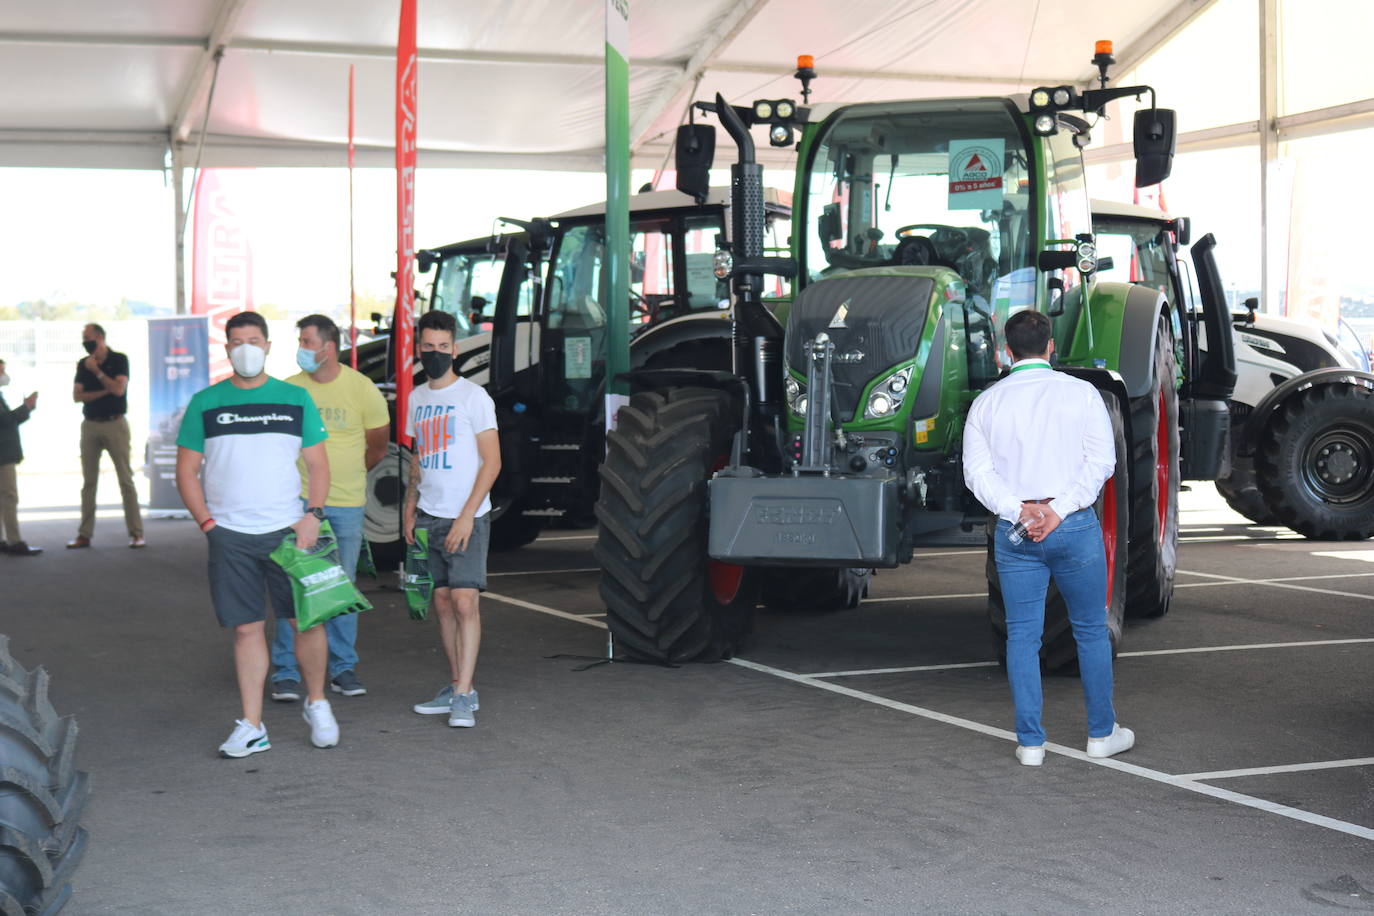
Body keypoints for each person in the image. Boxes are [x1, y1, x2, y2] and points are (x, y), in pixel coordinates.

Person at [962, 309, 1134, 767]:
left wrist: (1022, 511)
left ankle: (1031, 744)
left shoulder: (987, 403)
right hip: (1073, 525)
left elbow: (976, 475)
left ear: (1006, 350)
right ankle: (1101, 733)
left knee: (1022, 636)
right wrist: (1056, 511)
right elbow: (1101, 464)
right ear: (1051, 346)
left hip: (1016, 532)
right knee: (1090, 630)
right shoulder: (1082, 394)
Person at [175, 310, 341, 758]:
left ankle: (318, 702)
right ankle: (252, 725)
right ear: (227, 348)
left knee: (305, 621)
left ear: (267, 346)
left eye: (253, 340)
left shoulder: (295, 398)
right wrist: (208, 524)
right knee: (247, 631)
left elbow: (319, 465)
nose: (245, 348)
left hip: (289, 531)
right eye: (236, 341)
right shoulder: (205, 403)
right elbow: (187, 471)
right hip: (230, 535)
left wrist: (314, 516)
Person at [269, 314, 389, 702]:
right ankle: (286, 672)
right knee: (295, 586)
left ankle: (342, 668)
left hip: (347, 504)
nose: (301, 349)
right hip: (299, 504)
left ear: (329, 347)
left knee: (341, 587)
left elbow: (378, 446)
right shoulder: (290, 389)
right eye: (300, 342)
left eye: (306, 341)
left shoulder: (362, 388)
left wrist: (349, 476)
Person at [404, 310, 501, 729]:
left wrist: (466, 518)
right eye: (430, 347)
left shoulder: (473, 398)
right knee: (441, 603)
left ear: (455, 350)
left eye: (444, 347)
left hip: (468, 517)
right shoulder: (417, 398)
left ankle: (462, 696)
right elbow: (417, 460)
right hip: (429, 514)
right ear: (420, 349)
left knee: (464, 602)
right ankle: (461, 684)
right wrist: (409, 509)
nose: (437, 353)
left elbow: (492, 462)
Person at [69, 322, 145, 549]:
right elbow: (77, 396)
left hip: (115, 423)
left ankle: (136, 533)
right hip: (90, 425)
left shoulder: (119, 359)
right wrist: (106, 389)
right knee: (88, 482)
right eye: (83, 337)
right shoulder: (83, 364)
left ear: (100, 338)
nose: (86, 342)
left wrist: (98, 373)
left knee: (125, 479)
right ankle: (84, 534)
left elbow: (120, 390)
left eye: (89, 337)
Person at [0, 358, 41, 556]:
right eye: (1, 371)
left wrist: (26, 409)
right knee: (9, 496)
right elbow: (4, 420)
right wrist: (26, 407)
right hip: (3, 454)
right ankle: (14, 541)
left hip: (4, 452)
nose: (4, 376)